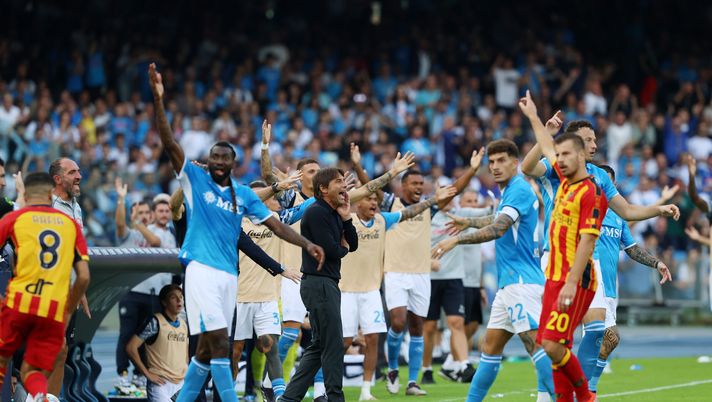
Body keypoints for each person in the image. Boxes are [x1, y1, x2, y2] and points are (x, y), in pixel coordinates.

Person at [149, 63, 325, 402]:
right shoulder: (195, 180)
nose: (216, 161)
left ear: (232, 163)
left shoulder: (243, 195)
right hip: (201, 269)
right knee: (219, 342)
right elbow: (169, 143)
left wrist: (307, 243)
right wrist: (159, 101)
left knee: (205, 351)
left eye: (223, 158)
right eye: (213, 155)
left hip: (230, 274)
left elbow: (275, 225)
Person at [518, 90, 679, 383]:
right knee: (554, 340)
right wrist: (543, 127)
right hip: (556, 258)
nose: (595, 144)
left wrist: (659, 209)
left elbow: (627, 210)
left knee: (598, 330)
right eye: (589, 140)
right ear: (574, 144)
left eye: (594, 139)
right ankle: (553, 390)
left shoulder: (601, 176)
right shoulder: (559, 170)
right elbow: (528, 167)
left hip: (588, 260)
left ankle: (586, 390)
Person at [432, 139, 554, 402]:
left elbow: (498, 229)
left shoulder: (518, 189)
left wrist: (457, 239)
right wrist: (469, 222)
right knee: (490, 347)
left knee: (535, 346)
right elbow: (500, 219)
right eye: (493, 162)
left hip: (520, 282)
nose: (496, 167)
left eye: (502, 161)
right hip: (510, 283)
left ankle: (564, 397)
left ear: (515, 163)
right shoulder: (512, 191)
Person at [381, 150, 483, 397]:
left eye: (420, 184)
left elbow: (454, 190)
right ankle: (393, 368)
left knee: (417, 325)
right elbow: (370, 187)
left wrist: (472, 170)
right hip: (395, 271)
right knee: (397, 321)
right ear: (403, 185)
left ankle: (413, 382)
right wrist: (386, 170)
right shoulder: (390, 204)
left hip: (421, 275)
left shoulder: (430, 208)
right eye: (413, 183)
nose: (418, 187)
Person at [341, 185, 457, 401]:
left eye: (376, 199)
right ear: (358, 203)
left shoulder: (383, 221)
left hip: (372, 291)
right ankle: (325, 387)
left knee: (373, 339)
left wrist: (432, 201)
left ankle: (367, 391)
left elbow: (409, 213)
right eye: (369, 199)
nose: (374, 203)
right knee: (344, 342)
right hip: (346, 290)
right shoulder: (345, 221)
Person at [0, 172, 90, 401]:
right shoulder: (70, 224)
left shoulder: (15, 218)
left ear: (26, 194)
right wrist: (68, 309)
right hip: (51, 309)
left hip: (19, 303)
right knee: (32, 370)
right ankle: (41, 395)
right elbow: (83, 277)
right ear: (51, 194)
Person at [531, 129, 607, 402]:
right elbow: (546, 146)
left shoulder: (592, 193)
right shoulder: (565, 182)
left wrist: (571, 283)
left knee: (552, 344)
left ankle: (586, 395)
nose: (559, 159)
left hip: (575, 279)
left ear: (579, 155)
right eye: (558, 154)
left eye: (565, 154)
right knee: (554, 344)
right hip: (554, 276)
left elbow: (587, 242)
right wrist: (533, 118)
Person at [586, 165, 672, 393]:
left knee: (607, 341)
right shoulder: (583, 210)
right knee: (605, 337)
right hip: (589, 280)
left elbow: (632, 249)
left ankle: (585, 389)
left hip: (609, 287)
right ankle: (584, 390)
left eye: (609, 183)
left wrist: (657, 263)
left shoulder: (617, 217)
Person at [279, 168, 357, 402]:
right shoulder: (315, 213)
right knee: (333, 345)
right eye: (338, 181)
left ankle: (288, 398)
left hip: (326, 283)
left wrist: (346, 218)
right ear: (323, 189)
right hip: (319, 283)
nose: (344, 185)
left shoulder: (334, 213)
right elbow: (333, 250)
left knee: (319, 345)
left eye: (344, 181)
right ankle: (335, 398)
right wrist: (341, 247)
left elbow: (351, 245)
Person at [231, 180, 312, 402]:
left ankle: (276, 396)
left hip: (267, 296)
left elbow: (306, 206)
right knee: (235, 352)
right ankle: (226, 395)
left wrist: (330, 190)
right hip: (238, 297)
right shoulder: (234, 220)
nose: (270, 199)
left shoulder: (277, 220)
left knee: (270, 345)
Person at [422, 190, 491, 384]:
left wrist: (480, 285)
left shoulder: (462, 216)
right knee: (429, 327)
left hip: (455, 279)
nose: (450, 201)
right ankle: (426, 369)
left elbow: (489, 212)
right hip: (431, 279)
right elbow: (412, 247)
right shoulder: (427, 217)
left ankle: (463, 365)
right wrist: (427, 262)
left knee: (457, 323)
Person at [114, 179, 175, 391]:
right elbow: (121, 226)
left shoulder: (169, 234)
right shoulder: (135, 234)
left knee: (146, 336)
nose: (145, 216)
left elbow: (156, 242)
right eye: (141, 213)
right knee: (127, 333)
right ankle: (123, 374)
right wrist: (121, 200)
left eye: (146, 212)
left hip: (155, 295)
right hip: (132, 292)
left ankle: (140, 374)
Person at [48, 157, 90, 396]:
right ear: (58, 178)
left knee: (61, 352)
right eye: (73, 172)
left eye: (79, 171)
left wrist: (80, 289)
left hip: (69, 292)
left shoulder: (76, 207)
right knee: (55, 348)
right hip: (50, 289)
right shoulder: (46, 205)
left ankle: (49, 398)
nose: (79, 176)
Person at [126, 284, 188, 402]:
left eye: (181, 297)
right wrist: (147, 374)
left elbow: (184, 352)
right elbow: (130, 348)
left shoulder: (183, 324)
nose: (179, 300)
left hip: (181, 384)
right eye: (173, 297)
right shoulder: (154, 322)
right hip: (161, 384)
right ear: (164, 302)